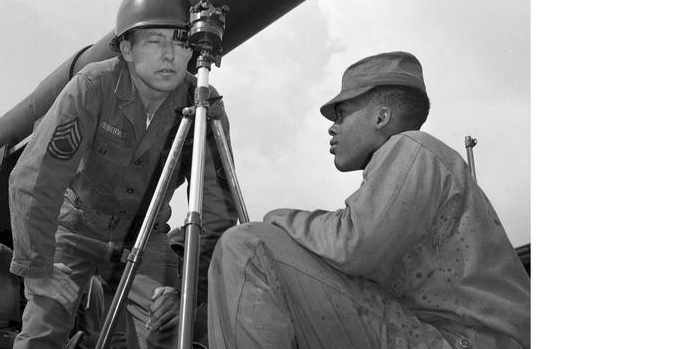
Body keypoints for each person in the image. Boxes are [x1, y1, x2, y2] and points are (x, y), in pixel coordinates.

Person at [207, 51, 530, 349]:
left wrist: (278, 217)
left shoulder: (412, 148)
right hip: (442, 335)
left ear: (381, 117)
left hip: (464, 341)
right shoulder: (407, 167)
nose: (332, 128)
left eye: (342, 114)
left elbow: (355, 244)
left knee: (248, 245)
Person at [8, 0, 238, 349]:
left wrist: (188, 292)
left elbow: (216, 209)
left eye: (181, 43)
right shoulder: (92, 86)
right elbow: (36, 177)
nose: (170, 55)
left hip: (147, 240)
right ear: (127, 49)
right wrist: (36, 269)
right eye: (155, 41)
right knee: (42, 328)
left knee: (168, 329)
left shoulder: (204, 106)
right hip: (75, 229)